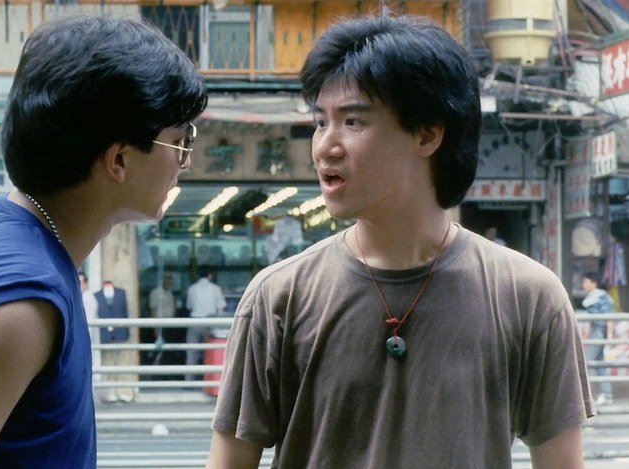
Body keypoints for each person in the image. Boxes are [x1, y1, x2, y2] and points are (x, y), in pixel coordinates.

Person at [208, 14, 591, 469]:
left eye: (352, 121)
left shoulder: (529, 297)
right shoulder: (278, 297)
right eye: (320, 122)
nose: (325, 146)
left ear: (427, 133)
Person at [0, 15, 207, 468]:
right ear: (120, 160)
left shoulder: (6, 243)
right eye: (180, 141)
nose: (185, 161)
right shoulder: (20, 300)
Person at [95, 280, 135, 403]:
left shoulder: (121, 293)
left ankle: (124, 391)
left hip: (120, 332)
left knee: (122, 363)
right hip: (105, 334)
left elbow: (125, 313)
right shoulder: (96, 295)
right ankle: (109, 393)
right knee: (107, 363)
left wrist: (127, 332)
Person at [185, 268, 226, 380]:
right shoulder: (216, 289)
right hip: (210, 322)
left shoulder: (192, 288)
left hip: (195, 321)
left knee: (191, 352)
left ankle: (189, 380)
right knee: (210, 352)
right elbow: (221, 308)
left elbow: (188, 306)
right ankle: (208, 380)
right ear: (210, 275)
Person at [581, 272, 614, 406]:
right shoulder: (590, 298)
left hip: (600, 331)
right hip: (595, 331)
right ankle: (606, 395)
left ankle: (591, 396)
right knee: (599, 364)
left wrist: (610, 335)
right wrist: (586, 339)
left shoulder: (601, 296)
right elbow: (590, 321)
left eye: (586, 282)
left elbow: (609, 316)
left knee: (588, 362)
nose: (584, 285)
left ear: (594, 283)